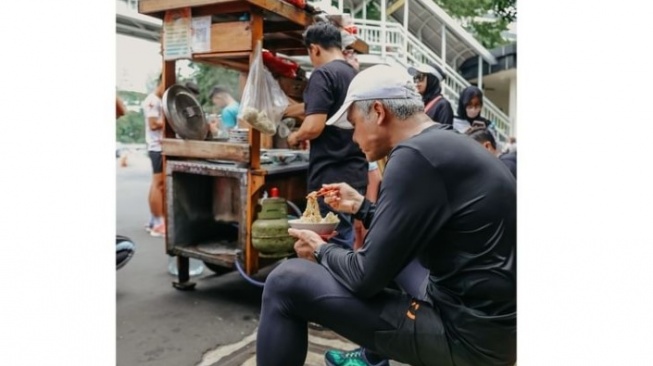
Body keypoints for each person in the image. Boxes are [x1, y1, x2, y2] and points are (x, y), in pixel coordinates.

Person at [256, 65, 516, 366]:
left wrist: (320, 249)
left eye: (354, 124)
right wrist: (361, 208)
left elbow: (365, 277)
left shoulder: (413, 157)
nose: (353, 138)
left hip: (469, 341)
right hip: (500, 327)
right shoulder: (446, 144)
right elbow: (404, 232)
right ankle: (370, 359)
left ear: (378, 111)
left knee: (285, 281)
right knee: (392, 257)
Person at [286, 21, 368, 249]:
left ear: (314, 48)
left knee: (327, 243)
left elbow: (313, 126)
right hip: (354, 171)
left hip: (331, 172)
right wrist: (287, 109)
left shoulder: (323, 74)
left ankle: (331, 283)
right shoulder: (352, 73)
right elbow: (324, 107)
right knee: (342, 236)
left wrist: (294, 137)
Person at [142, 74, 166, 237]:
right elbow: (153, 124)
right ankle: (158, 224)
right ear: (161, 82)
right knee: (159, 184)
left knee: (157, 183)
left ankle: (154, 220)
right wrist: (167, 119)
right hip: (157, 147)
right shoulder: (153, 100)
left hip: (157, 147)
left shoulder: (157, 100)